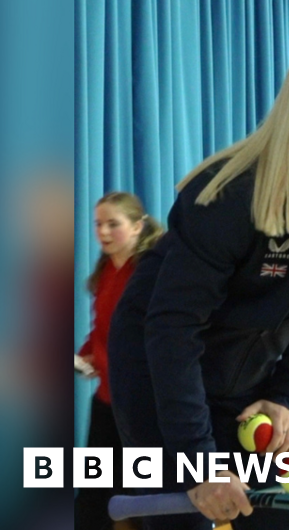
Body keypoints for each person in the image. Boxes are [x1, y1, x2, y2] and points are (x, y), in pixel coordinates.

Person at [107, 23, 289, 530]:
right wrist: (198, 462)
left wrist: (285, 394)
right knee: (189, 517)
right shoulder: (230, 191)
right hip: (161, 373)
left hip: (251, 376)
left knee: (278, 517)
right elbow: (172, 330)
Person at [75, 192, 163, 530]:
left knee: (142, 495)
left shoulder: (149, 275)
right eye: (98, 224)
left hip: (141, 405)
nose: (103, 232)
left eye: (113, 224)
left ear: (138, 226)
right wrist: (86, 355)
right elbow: (102, 328)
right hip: (107, 400)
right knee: (94, 493)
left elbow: (154, 341)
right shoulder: (106, 270)